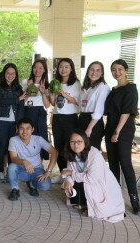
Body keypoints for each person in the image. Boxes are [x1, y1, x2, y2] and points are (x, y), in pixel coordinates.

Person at [62, 129, 125, 222]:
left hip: (100, 185)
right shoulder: (71, 155)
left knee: (85, 183)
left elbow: (91, 178)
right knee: (73, 182)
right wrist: (68, 181)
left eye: (79, 141)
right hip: (87, 182)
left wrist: (71, 174)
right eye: (72, 142)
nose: (76, 144)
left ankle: (90, 207)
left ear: (85, 142)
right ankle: (85, 204)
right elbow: (69, 171)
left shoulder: (94, 154)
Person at [104, 59, 139, 214]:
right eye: (113, 69)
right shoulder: (113, 90)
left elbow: (126, 112)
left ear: (126, 70)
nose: (116, 72)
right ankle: (116, 196)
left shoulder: (131, 88)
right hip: (110, 126)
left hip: (123, 128)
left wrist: (117, 131)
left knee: (125, 163)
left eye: (120, 69)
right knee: (112, 164)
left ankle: (134, 199)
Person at [7, 118, 58, 201]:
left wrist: (48, 171)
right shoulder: (13, 140)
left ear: (32, 129)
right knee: (12, 167)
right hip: (22, 170)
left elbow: (54, 152)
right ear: (17, 129)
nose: (24, 131)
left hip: (37, 170)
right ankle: (15, 189)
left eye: (28, 128)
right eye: (21, 128)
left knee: (46, 186)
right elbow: (13, 158)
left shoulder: (38, 139)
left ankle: (32, 184)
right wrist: (24, 161)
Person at [49, 58, 81, 183]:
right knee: (58, 146)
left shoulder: (76, 83)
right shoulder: (55, 82)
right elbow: (53, 103)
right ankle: (63, 174)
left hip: (70, 118)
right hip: (57, 117)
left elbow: (77, 102)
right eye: (61, 67)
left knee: (69, 147)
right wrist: (52, 94)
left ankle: (71, 175)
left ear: (71, 68)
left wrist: (63, 93)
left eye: (66, 67)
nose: (63, 69)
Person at [0, 63, 26, 182]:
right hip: (1, 121)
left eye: (13, 73)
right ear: (4, 74)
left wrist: (19, 123)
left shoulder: (18, 87)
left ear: (16, 75)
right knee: (1, 146)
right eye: (8, 73)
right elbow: (1, 101)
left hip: (14, 122)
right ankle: (1, 170)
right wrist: (17, 99)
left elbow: (21, 106)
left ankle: (12, 171)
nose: (10, 75)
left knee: (13, 148)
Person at [78, 61, 110, 150]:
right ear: (88, 71)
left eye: (98, 70)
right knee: (81, 152)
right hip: (82, 119)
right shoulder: (85, 87)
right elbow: (80, 105)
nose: (94, 73)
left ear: (102, 73)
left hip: (93, 123)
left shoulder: (102, 86)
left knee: (92, 152)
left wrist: (89, 128)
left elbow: (99, 110)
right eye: (92, 69)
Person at [22, 59, 51, 158]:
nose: (37, 70)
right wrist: (29, 87)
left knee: (40, 138)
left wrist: (43, 92)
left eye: (40, 68)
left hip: (40, 114)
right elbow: (22, 101)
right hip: (27, 112)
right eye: (35, 67)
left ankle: (40, 164)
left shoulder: (47, 85)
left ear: (44, 70)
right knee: (26, 137)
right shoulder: (25, 82)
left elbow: (47, 105)